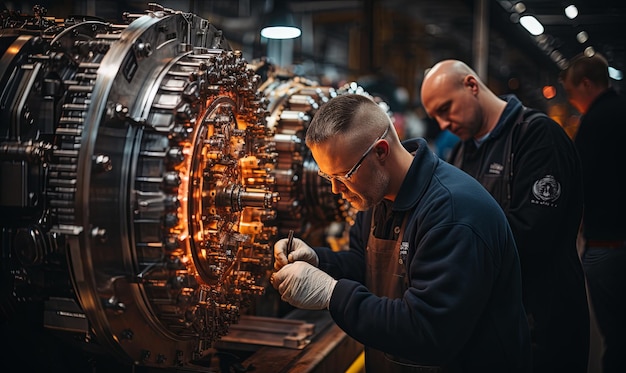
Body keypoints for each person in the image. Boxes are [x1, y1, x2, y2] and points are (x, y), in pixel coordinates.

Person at [270, 93, 531, 372]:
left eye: (344, 175)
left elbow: (428, 332)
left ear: (381, 151)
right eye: (327, 177)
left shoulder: (454, 214)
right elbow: (365, 265)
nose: (336, 190)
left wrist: (331, 293)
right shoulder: (375, 197)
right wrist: (319, 262)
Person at [420, 59, 590, 373]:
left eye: (446, 109)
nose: (443, 124)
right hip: (494, 325)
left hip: (542, 324)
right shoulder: (462, 152)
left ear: (471, 86)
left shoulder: (537, 137)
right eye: (435, 117)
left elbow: (531, 235)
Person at [560, 51, 626, 373]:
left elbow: (579, 186)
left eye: (572, 93)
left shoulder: (595, 122)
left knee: (615, 337)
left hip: (607, 246)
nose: (572, 102)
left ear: (586, 84)